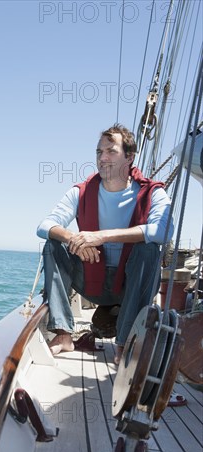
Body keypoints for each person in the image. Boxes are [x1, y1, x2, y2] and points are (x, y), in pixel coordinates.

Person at [37, 124, 174, 364]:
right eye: (99, 152)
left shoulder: (153, 193)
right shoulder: (80, 192)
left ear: (129, 157)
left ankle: (125, 344)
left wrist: (101, 236)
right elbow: (44, 225)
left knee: (149, 248)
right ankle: (62, 334)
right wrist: (75, 239)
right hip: (91, 280)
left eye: (111, 151)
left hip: (129, 285)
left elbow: (162, 231)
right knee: (53, 244)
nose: (102, 158)